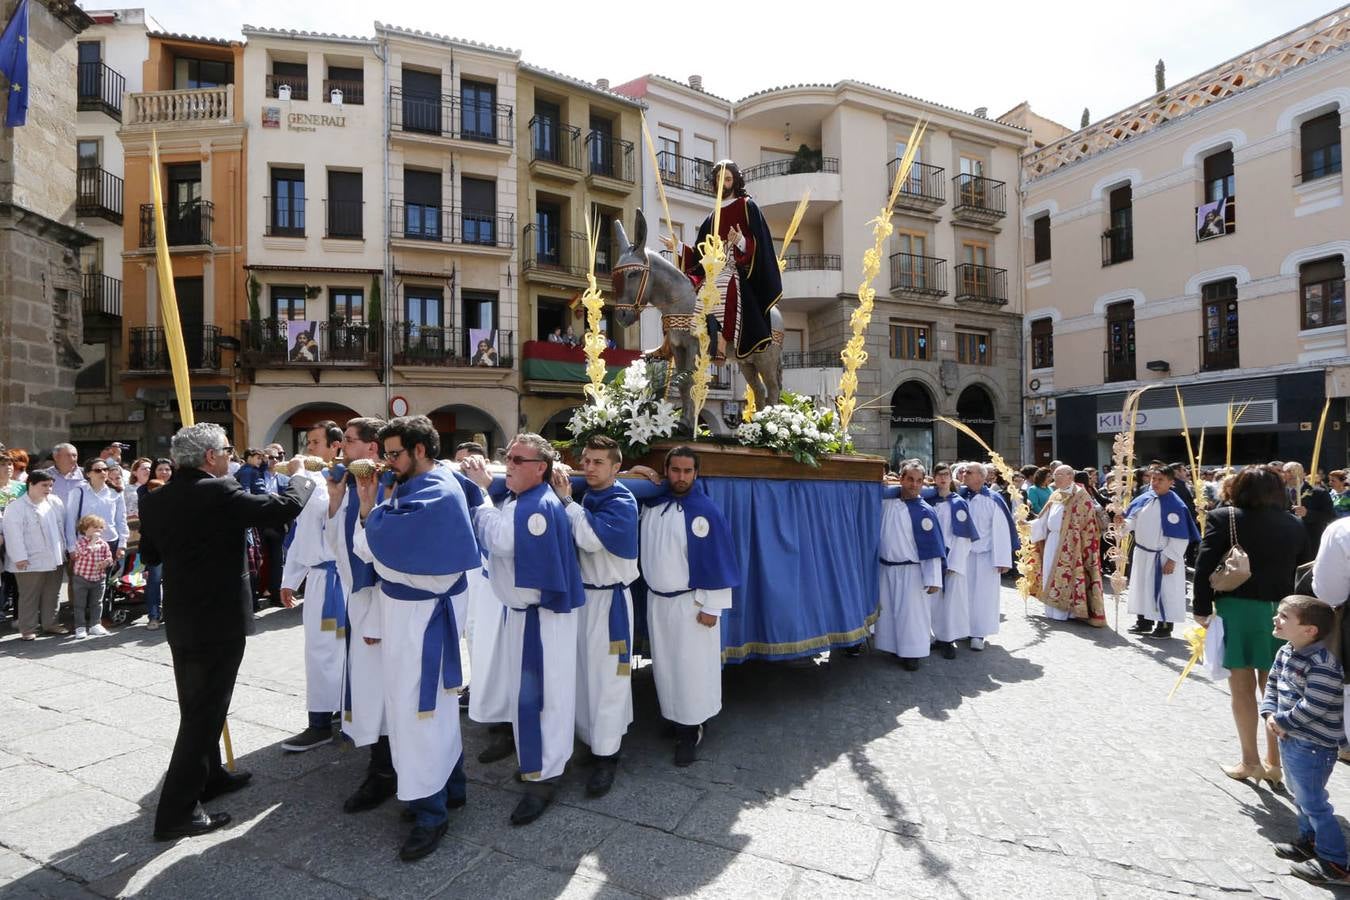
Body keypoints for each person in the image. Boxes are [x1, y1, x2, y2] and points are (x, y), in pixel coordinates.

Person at [138, 423, 313, 841]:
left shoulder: (158, 498)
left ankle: (210, 777)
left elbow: (150, 553)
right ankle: (176, 813)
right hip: (216, 620)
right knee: (204, 715)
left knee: (198, 707)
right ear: (210, 457)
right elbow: (281, 507)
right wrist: (302, 475)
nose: (230, 457)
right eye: (226, 451)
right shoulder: (217, 491)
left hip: (183, 617)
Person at [350, 416, 480, 860]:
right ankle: (451, 788)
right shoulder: (426, 484)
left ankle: (431, 812)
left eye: (394, 454)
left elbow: (371, 546)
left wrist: (370, 509)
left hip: (419, 618)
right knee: (432, 707)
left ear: (420, 451)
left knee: (418, 711)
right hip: (411, 613)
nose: (386, 463)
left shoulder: (436, 492)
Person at [463, 433, 586, 826]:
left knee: (546, 698)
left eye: (518, 459)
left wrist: (482, 494)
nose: (509, 465)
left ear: (541, 469)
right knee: (530, 695)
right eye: (508, 458)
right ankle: (537, 762)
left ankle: (546, 777)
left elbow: (499, 541)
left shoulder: (534, 506)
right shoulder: (522, 498)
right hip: (526, 615)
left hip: (541, 618)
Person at [1194, 466, 1310, 787]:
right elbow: (1304, 566)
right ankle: (1275, 763)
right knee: (1275, 690)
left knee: (1242, 690)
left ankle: (1250, 761)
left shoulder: (1225, 517)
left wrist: (1201, 608)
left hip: (1238, 609)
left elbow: (1204, 564)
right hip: (1283, 613)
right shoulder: (1295, 524)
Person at [637, 446, 739, 765]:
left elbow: (719, 560)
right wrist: (640, 470)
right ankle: (676, 716)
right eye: (675, 470)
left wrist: (713, 606)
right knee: (667, 667)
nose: (681, 477)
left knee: (692, 670)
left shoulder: (705, 512)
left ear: (696, 473)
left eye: (687, 471)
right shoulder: (653, 506)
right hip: (659, 603)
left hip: (692, 605)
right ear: (666, 470)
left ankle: (691, 730)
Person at [552, 435, 640, 796]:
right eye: (585, 460)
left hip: (610, 604)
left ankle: (608, 756)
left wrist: (567, 502)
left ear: (616, 467)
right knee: (582, 677)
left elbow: (588, 538)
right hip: (583, 600)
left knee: (607, 680)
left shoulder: (621, 501)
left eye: (598, 462)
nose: (588, 467)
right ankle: (590, 742)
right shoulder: (589, 493)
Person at [322, 417, 400, 816]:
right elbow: (337, 548)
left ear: (372, 449)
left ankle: (385, 770)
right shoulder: (353, 483)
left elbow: (379, 557)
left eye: (349, 442)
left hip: (379, 606)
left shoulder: (384, 486)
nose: (341, 449)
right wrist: (335, 502)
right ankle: (381, 762)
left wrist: (371, 620)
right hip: (357, 599)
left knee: (380, 691)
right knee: (368, 690)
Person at [1259, 596, 1349, 886]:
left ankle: (1336, 862)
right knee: (1300, 795)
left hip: (1313, 746)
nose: (1276, 618)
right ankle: (1309, 842)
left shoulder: (1323, 664)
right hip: (1291, 739)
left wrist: (1282, 721)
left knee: (1314, 802)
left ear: (1310, 630)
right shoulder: (1286, 651)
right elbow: (1272, 683)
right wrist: (1269, 712)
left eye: (1285, 616)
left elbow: (1315, 705)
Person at [661, 160, 782, 361]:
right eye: (720, 179)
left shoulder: (747, 206)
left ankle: (723, 341)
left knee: (723, 283)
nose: (723, 183)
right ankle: (674, 342)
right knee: (685, 291)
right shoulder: (712, 216)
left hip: (736, 267)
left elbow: (760, 245)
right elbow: (700, 255)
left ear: (735, 182)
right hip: (711, 268)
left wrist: (740, 241)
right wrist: (679, 247)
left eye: (727, 179)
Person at [280, 421, 346, 753]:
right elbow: (300, 535)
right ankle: (320, 719)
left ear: (336, 447)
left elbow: (321, 505)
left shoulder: (337, 480)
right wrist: (291, 579)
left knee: (344, 652)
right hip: (322, 579)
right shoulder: (313, 482)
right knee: (320, 652)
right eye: (308, 442)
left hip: (347, 579)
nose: (309, 449)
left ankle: (338, 716)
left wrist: (300, 475)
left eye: (316, 443)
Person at [455, 442, 511, 740]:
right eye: (459, 463)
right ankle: (481, 693)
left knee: (495, 649)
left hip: (494, 582)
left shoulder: (498, 490)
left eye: (470, 462)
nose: (464, 468)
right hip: (472, 575)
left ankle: (502, 717)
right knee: (476, 641)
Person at [876, 461, 944, 670]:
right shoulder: (888, 503)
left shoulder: (925, 511)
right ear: (902, 479)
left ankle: (912, 653)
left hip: (912, 572)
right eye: (910, 479)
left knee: (911, 615)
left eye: (919, 480)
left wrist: (933, 579)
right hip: (886, 568)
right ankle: (893, 647)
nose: (914, 484)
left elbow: (932, 548)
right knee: (888, 612)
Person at [1122, 464, 1200, 639]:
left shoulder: (1176, 506)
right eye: (1153, 479)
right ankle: (1143, 621)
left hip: (1163, 556)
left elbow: (1180, 537)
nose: (1155, 483)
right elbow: (1132, 521)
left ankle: (1164, 625)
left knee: (1164, 591)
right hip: (1142, 553)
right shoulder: (1145, 499)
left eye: (1160, 480)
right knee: (1142, 588)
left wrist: (1172, 559)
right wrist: (1122, 523)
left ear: (1171, 482)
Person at [1030, 465, 1106, 627]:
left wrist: (1072, 536)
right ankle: (1051, 609)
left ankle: (1067, 611)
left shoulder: (1080, 495)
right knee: (1050, 572)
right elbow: (1044, 519)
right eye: (1054, 475)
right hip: (1052, 540)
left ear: (1070, 476)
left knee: (1068, 576)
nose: (1055, 478)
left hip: (1072, 543)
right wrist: (1028, 525)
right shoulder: (1056, 494)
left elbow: (1085, 522)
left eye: (1059, 475)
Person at [957, 461, 1016, 651]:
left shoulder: (994, 499)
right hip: (963, 556)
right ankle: (962, 628)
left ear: (982, 477)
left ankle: (978, 633)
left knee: (983, 596)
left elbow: (1001, 531)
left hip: (985, 557)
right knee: (962, 594)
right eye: (964, 471)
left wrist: (1002, 560)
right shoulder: (960, 498)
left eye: (969, 472)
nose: (964, 474)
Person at [2, 470, 67, 640]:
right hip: (29, 559)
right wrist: (19, 557)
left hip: (55, 556)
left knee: (52, 592)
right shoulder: (16, 507)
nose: (49, 489)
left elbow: (62, 528)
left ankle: (51, 624)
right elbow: (13, 534)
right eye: (44, 485)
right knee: (29, 595)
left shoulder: (55, 502)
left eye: (51, 485)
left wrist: (66, 550)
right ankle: (28, 629)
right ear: (31, 484)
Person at [925, 463, 977, 660]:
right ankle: (936, 636)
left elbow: (963, 536)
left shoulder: (958, 503)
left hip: (951, 559)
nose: (943, 478)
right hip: (932, 557)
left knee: (951, 602)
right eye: (939, 475)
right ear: (934, 478)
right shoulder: (928, 500)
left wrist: (954, 563)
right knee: (933, 601)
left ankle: (948, 639)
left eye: (946, 474)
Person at [65, 457, 129, 574]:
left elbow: (121, 520)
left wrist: (122, 544)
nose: (103, 472)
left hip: (110, 542)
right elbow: (70, 521)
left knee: (105, 584)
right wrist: (71, 548)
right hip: (85, 544)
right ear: (88, 473)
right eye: (98, 470)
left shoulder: (116, 492)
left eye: (105, 469)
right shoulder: (78, 492)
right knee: (81, 585)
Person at [70, 514, 113, 638]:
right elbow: (83, 554)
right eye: (94, 527)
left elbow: (109, 557)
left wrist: (106, 562)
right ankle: (80, 627)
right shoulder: (81, 542)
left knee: (97, 603)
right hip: (81, 578)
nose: (98, 530)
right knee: (80, 604)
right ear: (85, 529)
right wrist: (93, 542)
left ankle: (95, 625)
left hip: (98, 578)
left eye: (100, 527)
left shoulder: (104, 544)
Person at [0, 451, 28, 617]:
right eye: (3, 465)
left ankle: (19, 614)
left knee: (16, 577)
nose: (8, 468)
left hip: (17, 537)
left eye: (9, 464)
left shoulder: (22, 488)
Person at [1285, 462, 1336, 552]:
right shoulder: (1277, 493)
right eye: (1289, 471)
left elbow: (1330, 516)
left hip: (1310, 542)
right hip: (1287, 542)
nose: (1292, 474)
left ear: (1303, 474)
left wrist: (1308, 513)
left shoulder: (1319, 493)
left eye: (1296, 471)